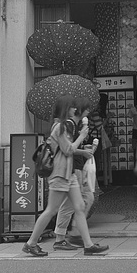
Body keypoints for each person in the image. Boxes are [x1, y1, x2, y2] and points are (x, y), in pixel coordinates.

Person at [22, 95, 109, 257]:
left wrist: (82, 148)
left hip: (69, 175)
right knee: (51, 210)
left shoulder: (64, 127)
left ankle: (88, 245)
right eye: (71, 107)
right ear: (66, 109)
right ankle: (30, 243)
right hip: (60, 174)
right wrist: (83, 136)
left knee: (80, 207)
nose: (74, 109)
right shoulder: (60, 127)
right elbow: (68, 149)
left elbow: (69, 149)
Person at [52, 125, 99, 250]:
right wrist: (82, 148)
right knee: (67, 206)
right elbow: (66, 148)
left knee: (85, 200)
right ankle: (67, 236)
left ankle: (75, 235)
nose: (87, 111)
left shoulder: (75, 125)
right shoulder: (65, 125)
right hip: (70, 169)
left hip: (77, 167)